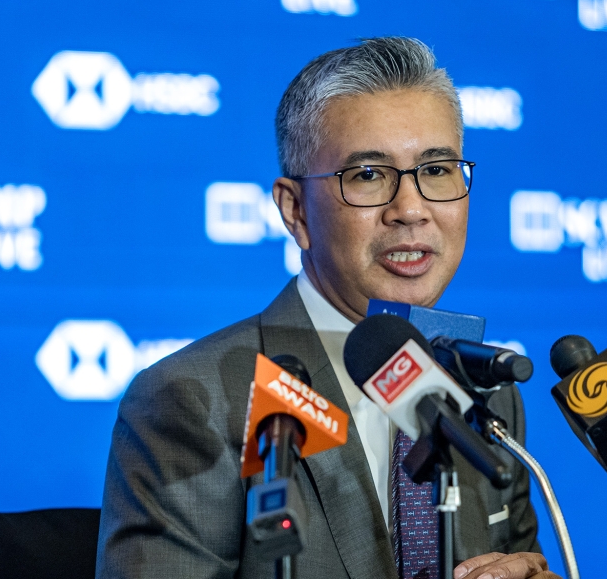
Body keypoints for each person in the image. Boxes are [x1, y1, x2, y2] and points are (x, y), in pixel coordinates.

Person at [96, 37, 559, 579]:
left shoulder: (487, 394)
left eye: (436, 170)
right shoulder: (194, 401)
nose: (410, 209)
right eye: (367, 175)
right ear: (295, 212)